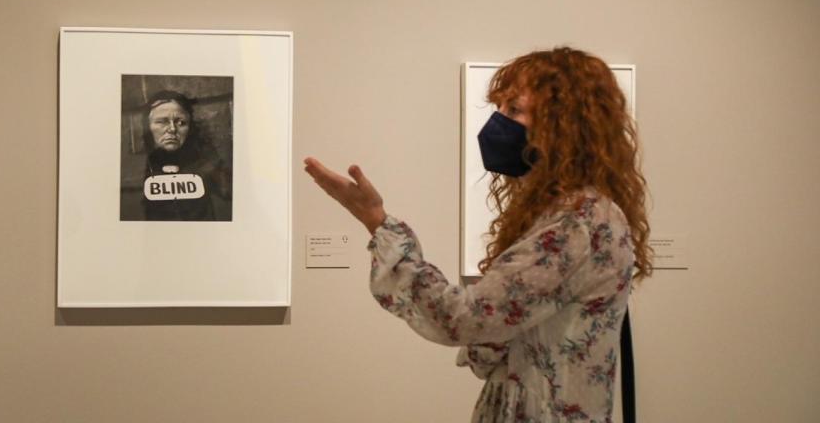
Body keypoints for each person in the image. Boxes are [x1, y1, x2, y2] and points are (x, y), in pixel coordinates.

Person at [305, 47, 651, 423]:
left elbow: (466, 318)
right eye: (499, 107)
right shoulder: (574, 213)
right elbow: (498, 335)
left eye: (514, 110)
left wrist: (377, 221)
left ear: (563, 125)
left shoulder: (578, 221)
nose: (497, 122)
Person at [138, 90, 231, 221]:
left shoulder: (204, 159)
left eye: (181, 122)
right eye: (162, 121)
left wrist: (210, 161)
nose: (172, 129)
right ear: (148, 126)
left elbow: (229, 192)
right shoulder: (144, 164)